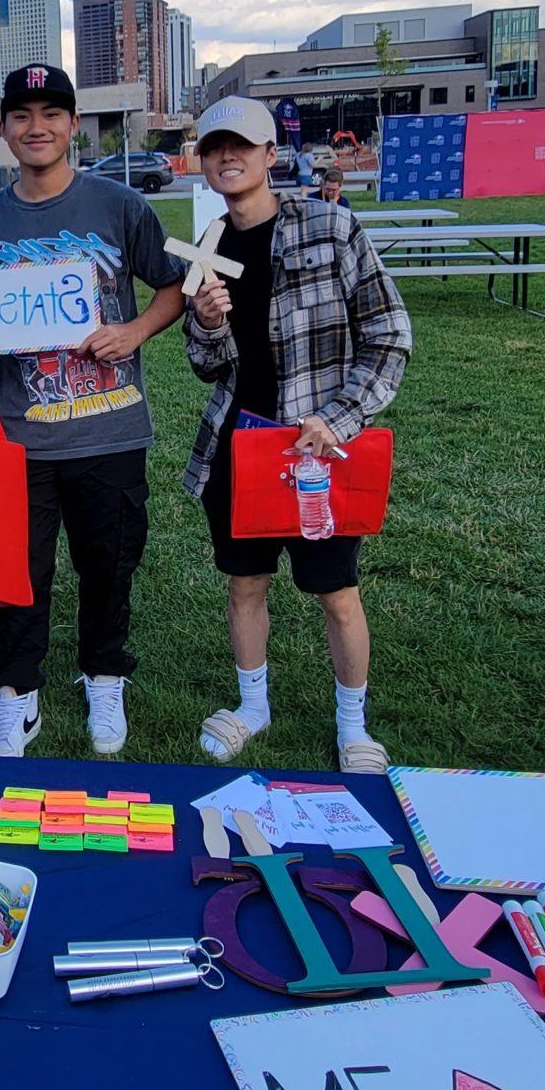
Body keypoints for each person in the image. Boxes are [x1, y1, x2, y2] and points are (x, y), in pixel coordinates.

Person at [0, 65, 185, 760]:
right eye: (21, 116)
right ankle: (16, 695)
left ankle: (103, 674)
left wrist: (135, 331)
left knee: (109, 564)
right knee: (18, 570)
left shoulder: (118, 206)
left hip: (109, 424)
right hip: (22, 435)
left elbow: (172, 287)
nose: (37, 128)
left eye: (52, 113)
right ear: (3, 132)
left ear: (73, 125)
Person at [181, 96, 412, 776]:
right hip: (241, 447)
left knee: (335, 591)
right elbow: (205, 365)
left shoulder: (332, 226)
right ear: (203, 159)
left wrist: (339, 418)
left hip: (319, 449)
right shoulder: (207, 247)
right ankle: (253, 707)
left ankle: (353, 726)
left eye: (243, 146)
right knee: (244, 585)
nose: (229, 157)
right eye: (216, 147)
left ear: (270, 155)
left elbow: (390, 335)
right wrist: (209, 322)